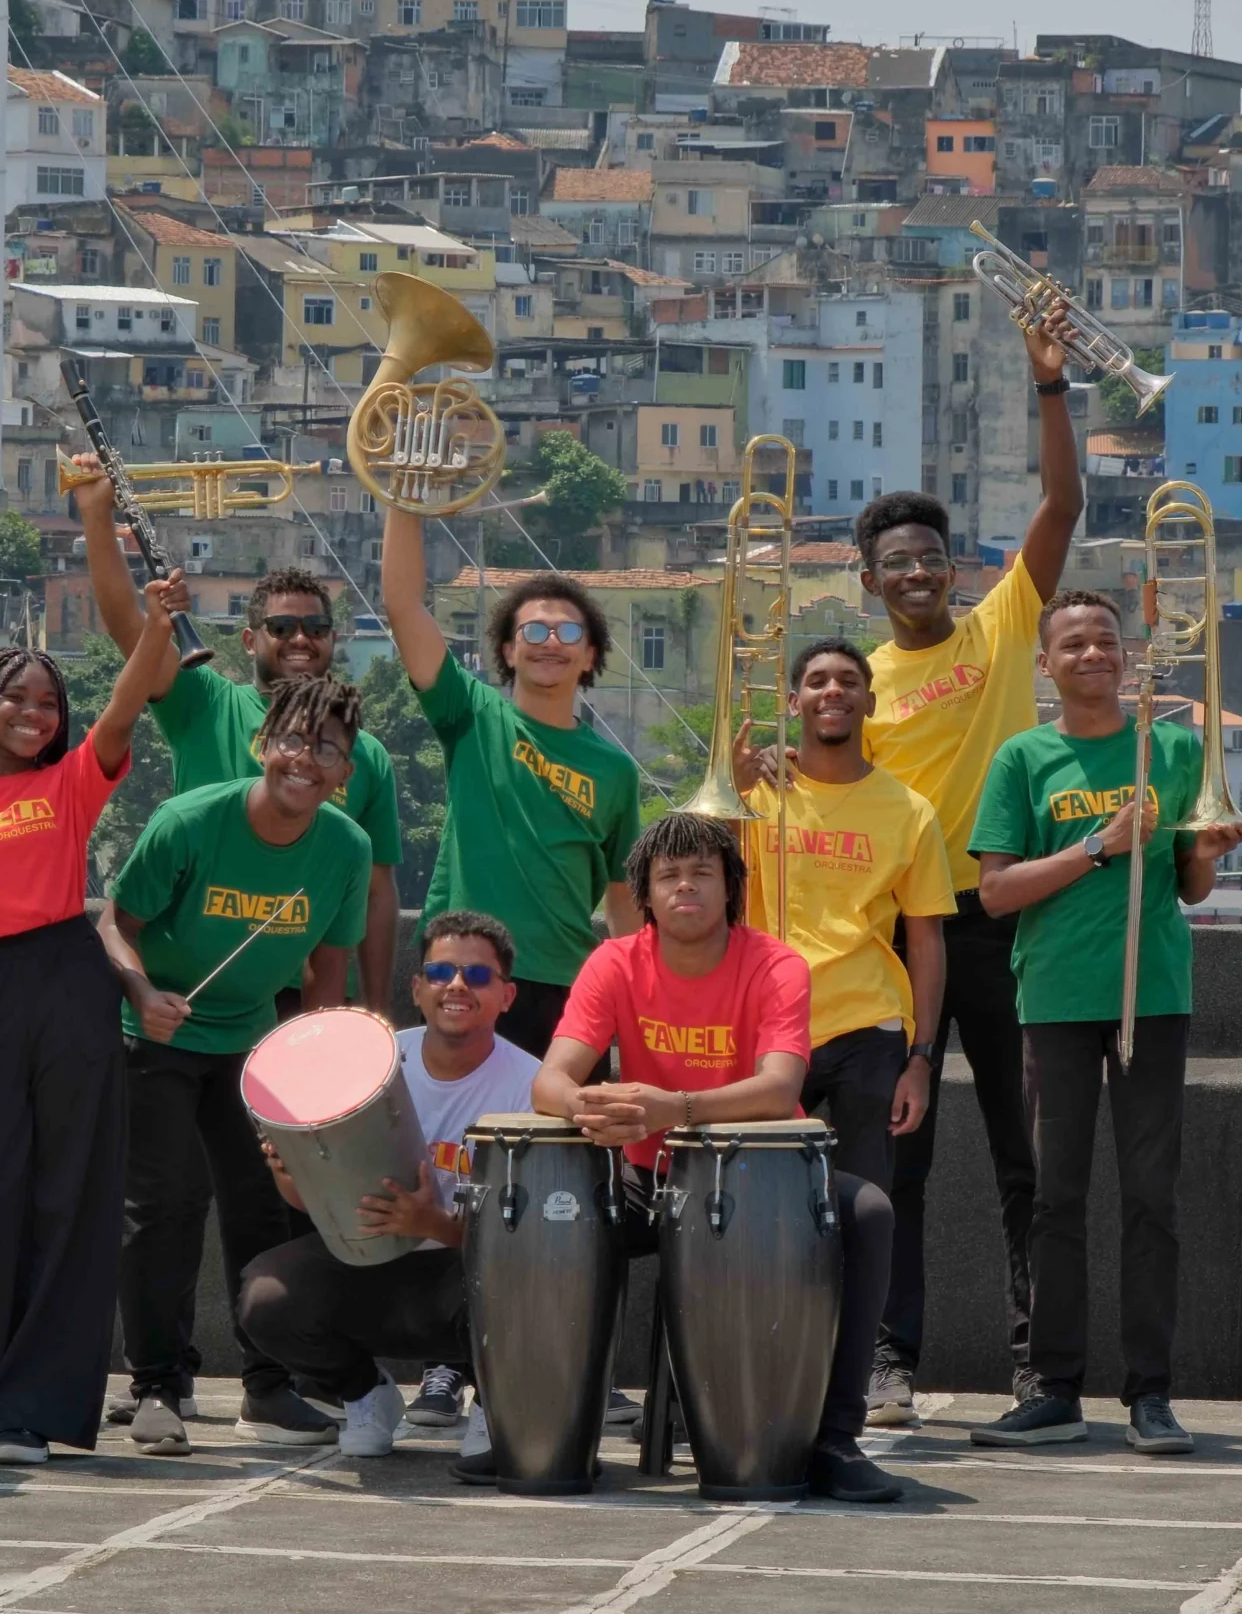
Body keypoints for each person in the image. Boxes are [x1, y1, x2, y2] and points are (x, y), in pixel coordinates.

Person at [847, 298, 1082, 1422]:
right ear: (869, 581)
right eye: (896, 562)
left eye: (931, 558)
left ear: (954, 569)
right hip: (901, 940)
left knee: (1023, 1157)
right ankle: (890, 1357)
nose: (917, 573)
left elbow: (1062, 504)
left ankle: (1039, 1366)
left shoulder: (999, 628)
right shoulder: (858, 686)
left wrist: (1050, 382)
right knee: (900, 1159)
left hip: (1002, 921)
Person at [0, 579, 184, 1465]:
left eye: (49, 702)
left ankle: (29, 1413)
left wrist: (157, 623)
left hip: (70, 984)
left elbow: (127, 702)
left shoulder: (71, 780)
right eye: (16, 697)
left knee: (68, 1201)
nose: (33, 713)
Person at [533, 813, 905, 1505]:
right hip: (649, 1180)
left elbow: (780, 1087)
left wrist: (677, 1108)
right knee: (551, 1212)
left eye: (702, 872)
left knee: (870, 1213)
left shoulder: (776, 964)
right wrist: (587, 1105)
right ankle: (546, 1433)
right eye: (668, 875)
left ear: (732, 887)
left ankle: (835, 1438)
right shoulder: (613, 962)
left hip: (767, 1177)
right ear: (645, 893)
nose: (685, 886)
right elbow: (548, 1081)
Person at [966, 590, 1242, 1455]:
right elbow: (994, 892)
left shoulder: (1174, 747)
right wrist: (1098, 845)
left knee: (1151, 1198)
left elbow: (1189, 885)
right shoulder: (1023, 757)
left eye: (1106, 640)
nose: (1093, 653)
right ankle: (1052, 1387)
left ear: (1127, 655)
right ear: (1044, 664)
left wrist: (1203, 854)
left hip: (1152, 993)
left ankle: (1150, 1392)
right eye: (1074, 644)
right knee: (1055, 1197)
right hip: (1055, 994)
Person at [100, 676, 375, 1456]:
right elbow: (114, 923)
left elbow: (328, 970)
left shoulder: (346, 849)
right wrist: (141, 990)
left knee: (265, 1209)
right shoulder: (189, 821)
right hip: (157, 1034)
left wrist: (317, 1077)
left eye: (327, 749)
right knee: (161, 1207)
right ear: (263, 745)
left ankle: (269, 1384)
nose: (306, 760)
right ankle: (158, 1383)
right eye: (292, 740)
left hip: (254, 1044)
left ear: (346, 770)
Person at [71, 453, 402, 1012]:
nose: (301, 639)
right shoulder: (206, 702)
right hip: (192, 990)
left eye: (317, 627)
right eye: (282, 627)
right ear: (250, 641)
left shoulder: (364, 753)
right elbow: (129, 628)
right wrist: (97, 517)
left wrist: (376, 1007)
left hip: (307, 991)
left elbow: (376, 891)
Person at [236, 911, 541, 1458]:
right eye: (441, 972)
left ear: (507, 996)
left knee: (519, 1281)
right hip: (372, 1261)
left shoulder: (532, 1087)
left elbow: (532, 1238)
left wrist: (433, 1224)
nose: (456, 985)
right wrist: (290, 1173)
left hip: (471, 1273)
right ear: (417, 988)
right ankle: (365, 1394)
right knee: (266, 1294)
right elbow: (315, 1203)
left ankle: (495, 1403)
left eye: (476, 975)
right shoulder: (371, 1060)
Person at [381, 509, 643, 1052]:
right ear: (507, 650)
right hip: (466, 975)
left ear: (590, 655)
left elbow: (624, 898)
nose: (551, 642)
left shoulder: (615, 770)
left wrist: (639, 996)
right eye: (534, 631)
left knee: (563, 1113)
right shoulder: (471, 715)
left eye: (569, 632)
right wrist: (402, 499)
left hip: (570, 984)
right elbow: (403, 606)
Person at [741, 637, 953, 1204]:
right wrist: (736, 784)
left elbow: (926, 941)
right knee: (756, 1203)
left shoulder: (910, 811)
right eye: (817, 681)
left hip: (869, 1024)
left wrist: (921, 1060)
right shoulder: (756, 795)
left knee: (865, 1202)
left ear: (870, 702)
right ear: (793, 702)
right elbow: (706, 891)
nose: (833, 690)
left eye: (849, 681)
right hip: (771, 1022)